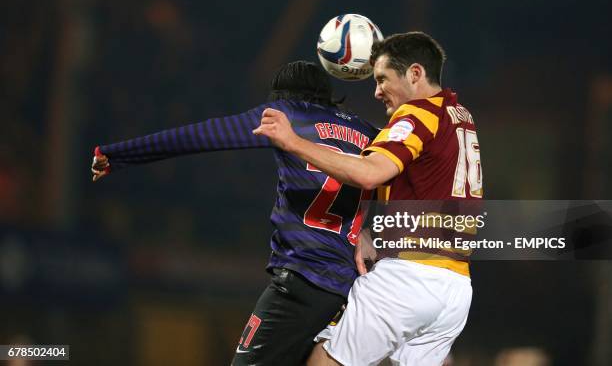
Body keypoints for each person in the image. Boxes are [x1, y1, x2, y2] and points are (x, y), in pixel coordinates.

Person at [91, 60, 379, 365]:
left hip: (302, 283)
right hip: (347, 291)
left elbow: (200, 136)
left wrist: (119, 155)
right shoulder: (371, 132)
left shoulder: (287, 114)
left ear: (283, 95)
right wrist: (366, 230)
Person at [253, 32, 483, 365]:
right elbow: (417, 181)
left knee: (324, 360)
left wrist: (293, 142)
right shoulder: (459, 115)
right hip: (456, 286)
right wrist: (362, 227)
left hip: (409, 278)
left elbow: (368, 172)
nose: (376, 92)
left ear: (415, 74)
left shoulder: (417, 115)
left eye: (382, 79)